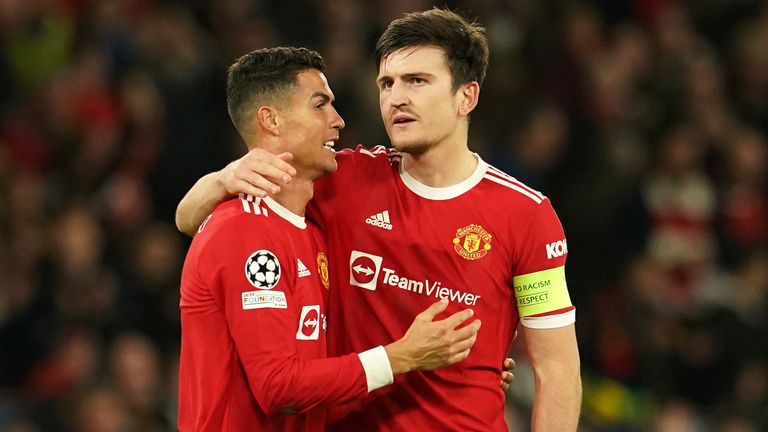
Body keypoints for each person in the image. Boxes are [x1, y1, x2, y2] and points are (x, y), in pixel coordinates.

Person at [177, 9, 581, 431]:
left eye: (417, 81)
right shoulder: (341, 179)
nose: (396, 98)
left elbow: (556, 371)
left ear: (467, 96)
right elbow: (199, 223)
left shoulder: (528, 215)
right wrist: (218, 180)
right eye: (386, 84)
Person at [177, 46, 484, 432]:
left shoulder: (314, 231)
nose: (338, 121)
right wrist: (402, 356)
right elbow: (276, 387)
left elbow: (321, 371)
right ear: (270, 120)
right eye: (319, 105)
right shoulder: (241, 230)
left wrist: (456, 364)